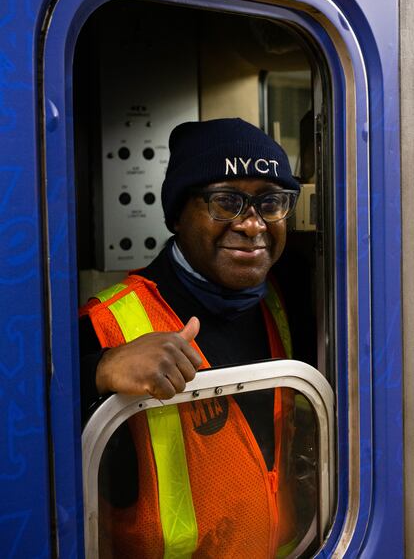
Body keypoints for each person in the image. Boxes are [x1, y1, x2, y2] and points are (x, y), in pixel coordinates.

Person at [80, 118, 301, 559]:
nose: (253, 225)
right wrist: (98, 369)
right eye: (225, 202)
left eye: (270, 202)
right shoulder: (105, 324)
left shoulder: (281, 298)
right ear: (178, 215)